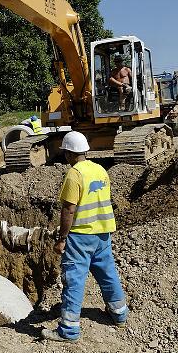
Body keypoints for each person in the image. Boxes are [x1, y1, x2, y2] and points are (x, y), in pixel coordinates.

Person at [41, 131, 128, 342]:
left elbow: (69, 209)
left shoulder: (75, 174)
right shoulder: (100, 170)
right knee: (107, 273)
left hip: (81, 235)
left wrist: (62, 238)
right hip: (103, 233)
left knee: (74, 280)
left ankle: (69, 330)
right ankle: (119, 314)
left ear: (69, 153)